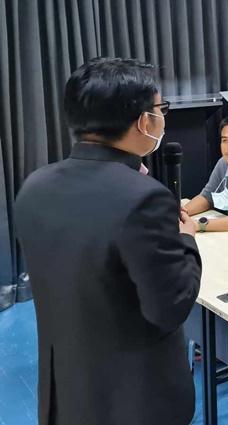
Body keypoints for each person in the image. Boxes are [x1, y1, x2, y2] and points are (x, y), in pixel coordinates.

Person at [15, 57, 201, 425]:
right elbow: (170, 307)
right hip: (134, 399)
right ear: (144, 121)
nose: (162, 118)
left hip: (66, 391)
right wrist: (186, 239)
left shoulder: (35, 186)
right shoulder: (144, 198)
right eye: (161, 109)